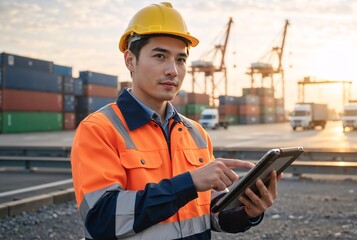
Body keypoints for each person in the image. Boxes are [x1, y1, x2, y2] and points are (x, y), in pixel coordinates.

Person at [71, 2, 282, 239]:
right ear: (130, 60)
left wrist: (247, 211)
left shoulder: (196, 132)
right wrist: (189, 183)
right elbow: (101, 220)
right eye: (160, 56)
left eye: (181, 59)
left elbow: (211, 214)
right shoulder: (100, 129)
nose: (173, 70)